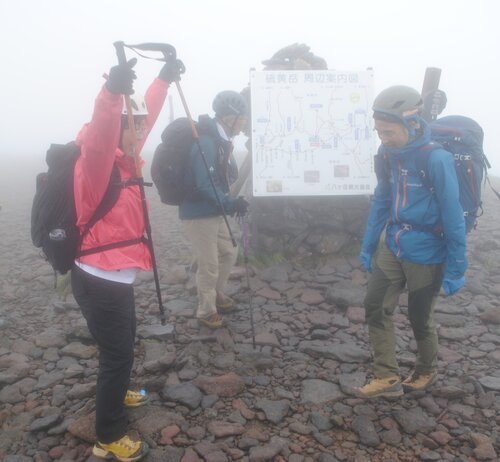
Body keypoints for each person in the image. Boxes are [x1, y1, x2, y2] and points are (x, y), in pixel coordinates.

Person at [71, 54, 184, 461]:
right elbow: (105, 131)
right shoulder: (98, 163)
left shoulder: (126, 155)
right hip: (101, 277)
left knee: (121, 343)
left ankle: (118, 392)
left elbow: (143, 118)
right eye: (131, 127)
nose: (140, 132)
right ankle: (108, 436)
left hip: (115, 276)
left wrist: (161, 82)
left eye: (139, 126)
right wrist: (110, 95)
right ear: (118, 128)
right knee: (117, 354)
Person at [355, 85, 467, 399]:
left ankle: (426, 368)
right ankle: (386, 376)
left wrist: (457, 266)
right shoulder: (387, 154)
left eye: (389, 132)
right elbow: (381, 199)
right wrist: (368, 245)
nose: (384, 139)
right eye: (379, 132)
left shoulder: (436, 159)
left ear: (411, 123)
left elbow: (452, 212)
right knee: (375, 306)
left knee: (419, 316)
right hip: (393, 243)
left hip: (427, 251)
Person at [179, 90, 249, 329]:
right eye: (243, 117)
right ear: (230, 118)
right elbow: (205, 183)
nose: (245, 122)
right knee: (209, 264)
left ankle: (217, 294)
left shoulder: (220, 141)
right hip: (199, 213)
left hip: (214, 210)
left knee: (229, 251)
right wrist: (231, 203)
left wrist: (228, 204)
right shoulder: (207, 142)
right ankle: (205, 310)